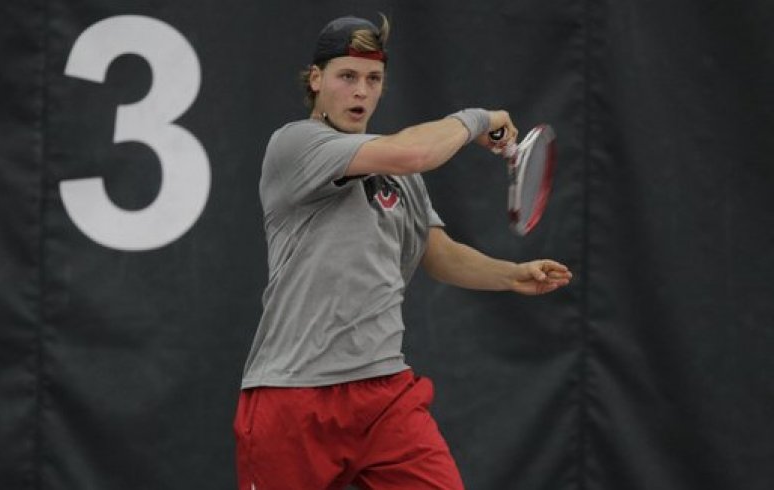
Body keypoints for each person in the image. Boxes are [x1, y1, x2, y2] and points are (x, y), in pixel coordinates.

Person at [234, 14, 573, 490]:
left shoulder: (401, 176)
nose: (361, 91)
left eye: (373, 80)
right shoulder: (296, 145)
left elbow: (437, 253)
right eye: (346, 76)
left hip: (384, 396)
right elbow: (415, 152)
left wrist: (510, 274)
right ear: (316, 80)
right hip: (293, 395)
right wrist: (477, 119)